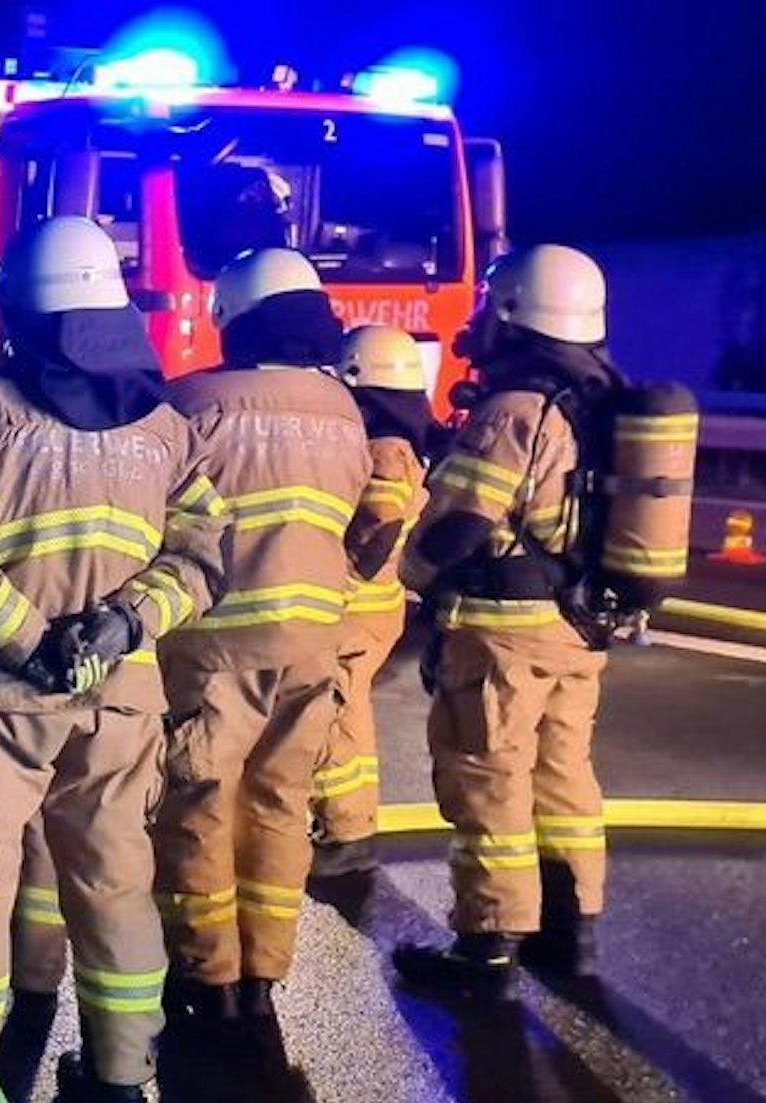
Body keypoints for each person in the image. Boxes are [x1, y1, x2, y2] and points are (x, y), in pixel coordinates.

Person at [0, 215, 230, 1103]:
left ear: (18, 308)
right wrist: (120, 627)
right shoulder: (166, 426)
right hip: (120, 701)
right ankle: (120, 1086)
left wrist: (32, 641)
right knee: (116, 885)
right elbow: (202, 562)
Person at [393, 245, 625, 996]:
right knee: (564, 780)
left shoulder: (515, 409)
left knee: (488, 779)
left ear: (515, 311)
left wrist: (411, 579)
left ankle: (487, 950)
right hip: (577, 625)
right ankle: (572, 933)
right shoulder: (598, 399)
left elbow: (460, 521)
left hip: (503, 632)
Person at [152, 247, 373, 1021]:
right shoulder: (344, 409)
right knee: (281, 800)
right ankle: (263, 975)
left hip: (214, 643)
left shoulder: (191, 404)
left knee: (200, 800)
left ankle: (206, 974)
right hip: (315, 641)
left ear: (233, 319)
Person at [309, 325, 434, 879]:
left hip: (356, 604)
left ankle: (345, 831)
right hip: (375, 603)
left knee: (337, 713)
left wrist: (332, 560)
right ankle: (343, 824)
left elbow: (376, 527)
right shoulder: (403, 441)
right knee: (342, 707)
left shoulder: (384, 449)